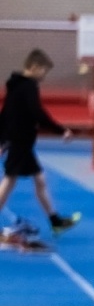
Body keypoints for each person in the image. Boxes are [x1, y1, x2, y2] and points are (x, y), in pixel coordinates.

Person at [0, 49, 80, 236]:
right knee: (10, 181)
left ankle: (55, 221)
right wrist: (61, 130)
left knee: (39, 180)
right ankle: (55, 221)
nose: (44, 76)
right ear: (35, 67)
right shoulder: (28, 87)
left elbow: (5, 115)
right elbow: (38, 113)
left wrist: (2, 140)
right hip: (20, 142)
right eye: (44, 71)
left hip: (21, 142)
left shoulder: (16, 86)